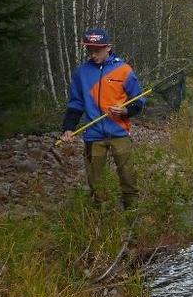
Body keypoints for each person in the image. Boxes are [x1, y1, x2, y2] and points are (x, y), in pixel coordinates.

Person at [61, 28, 146, 209]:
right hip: (93, 135)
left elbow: (139, 100)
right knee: (96, 181)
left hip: (119, 132)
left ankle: (132, 215)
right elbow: (75, 103)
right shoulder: (81, 73)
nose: (93, 54)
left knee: (128, 176)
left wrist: (126, 111)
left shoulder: (124, 70)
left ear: (108, 47)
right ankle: (103, 218)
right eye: (90, 49)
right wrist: (68, 127)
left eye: (97, 50)